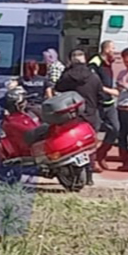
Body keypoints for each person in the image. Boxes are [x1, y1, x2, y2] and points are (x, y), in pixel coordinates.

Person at [55, 48, 106, 185]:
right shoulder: (94, 77)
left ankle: (72, 172)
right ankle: (89, 176)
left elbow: (58, 88)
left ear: (71, 60)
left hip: (71, 116)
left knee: (71, 145)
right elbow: (101, 97)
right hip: (90, 115)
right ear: (85, 60)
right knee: (90, 146)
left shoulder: (67, 76)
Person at [89, 40, 120, 171]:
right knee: (93, 133)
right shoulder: (95, 63)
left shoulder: (109, 63)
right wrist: (110, 90)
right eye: (113, 48)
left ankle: (102, 153)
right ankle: (92, 160)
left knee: (115, 129)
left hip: (109, 103)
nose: (115, 50)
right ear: (106, 50)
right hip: (97, 104)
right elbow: (93, 83)